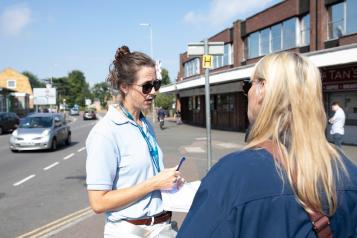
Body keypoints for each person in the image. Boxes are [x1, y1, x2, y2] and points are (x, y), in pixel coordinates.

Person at [177, 52, 357, 237]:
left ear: (263, 89)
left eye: (248, 85)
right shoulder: (347, 169)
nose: (247, 93)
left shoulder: (233, 175)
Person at [86, 46, 183, 238]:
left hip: (162, 228)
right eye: (147, 86)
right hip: (129, 231)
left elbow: (141, 175)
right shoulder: (105, 133)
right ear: (124, 86)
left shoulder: (145, 123)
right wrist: (153, 183)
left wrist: (167, 180)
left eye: (157, 84)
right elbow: (98, 202)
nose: (154, 91)